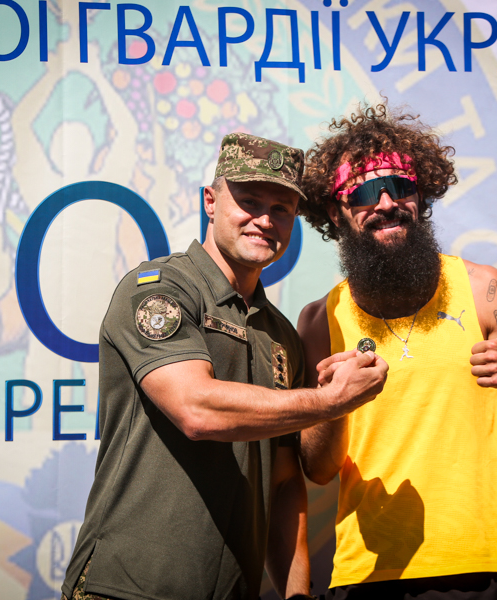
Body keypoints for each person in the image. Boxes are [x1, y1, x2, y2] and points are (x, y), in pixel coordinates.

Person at [61, 133, 389, 600]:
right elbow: (197, 410)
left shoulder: (282, 335)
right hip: (125, 589)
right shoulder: (160, 289)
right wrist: (330, 400)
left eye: (281, 209)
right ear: (210, 202)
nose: (265, 220)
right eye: (249, 202)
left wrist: (296, 594)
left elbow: (283, 482)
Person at [296, 104, 497, 599]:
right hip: (368, 576)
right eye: (365, 192)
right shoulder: (318, 321)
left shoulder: (484, 290)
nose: (387, 202)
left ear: (422, 196)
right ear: (336, 211)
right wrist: (332, 403)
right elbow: (319, 469)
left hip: (478, 570)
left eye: (402, 186)